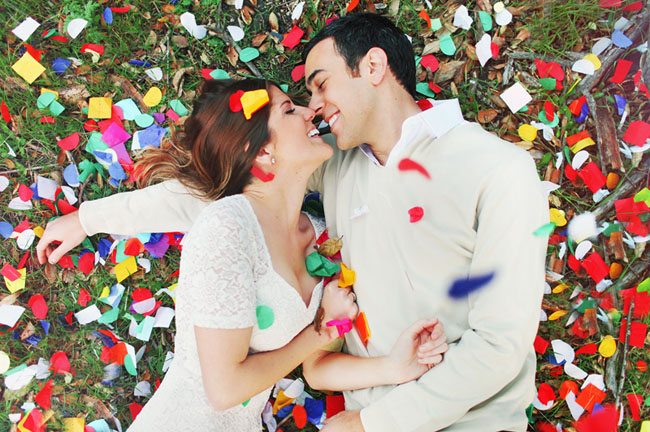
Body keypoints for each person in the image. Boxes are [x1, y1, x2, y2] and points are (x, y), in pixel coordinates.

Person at [38, 12, 549, 432]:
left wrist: (373, 424)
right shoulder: (337, 164)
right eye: (301, 101)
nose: (314, 110)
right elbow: (231, 189)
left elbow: (500, 345)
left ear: (373, 66)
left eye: (320, 85)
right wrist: (90, 218)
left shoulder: (498, 169)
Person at [37, 79, 448, 431]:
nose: (310, 112)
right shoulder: (228, 224)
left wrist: (394, 367)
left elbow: (316, 367)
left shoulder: (323, 239)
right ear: (264, 153)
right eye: (290, 109)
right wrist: (86, 219)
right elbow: (224, 390)